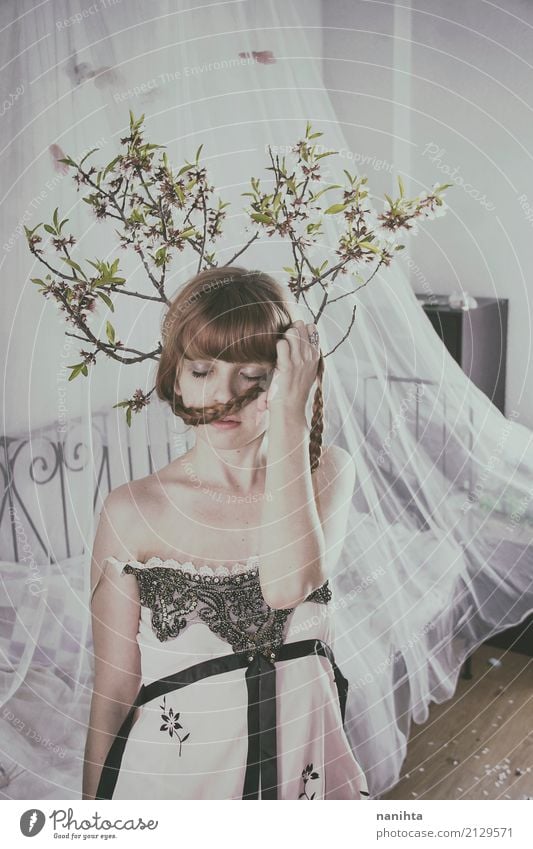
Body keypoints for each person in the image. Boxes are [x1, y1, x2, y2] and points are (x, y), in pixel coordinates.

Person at [82, 266, 369, 800]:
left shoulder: (326, 474)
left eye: (252, 376)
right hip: (172, 787)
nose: (222, 394)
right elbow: (116, 689)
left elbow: (287, 584)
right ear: (174, 378)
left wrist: (290, 411)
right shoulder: (132, 511)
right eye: (202, 370)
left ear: (285, 380)